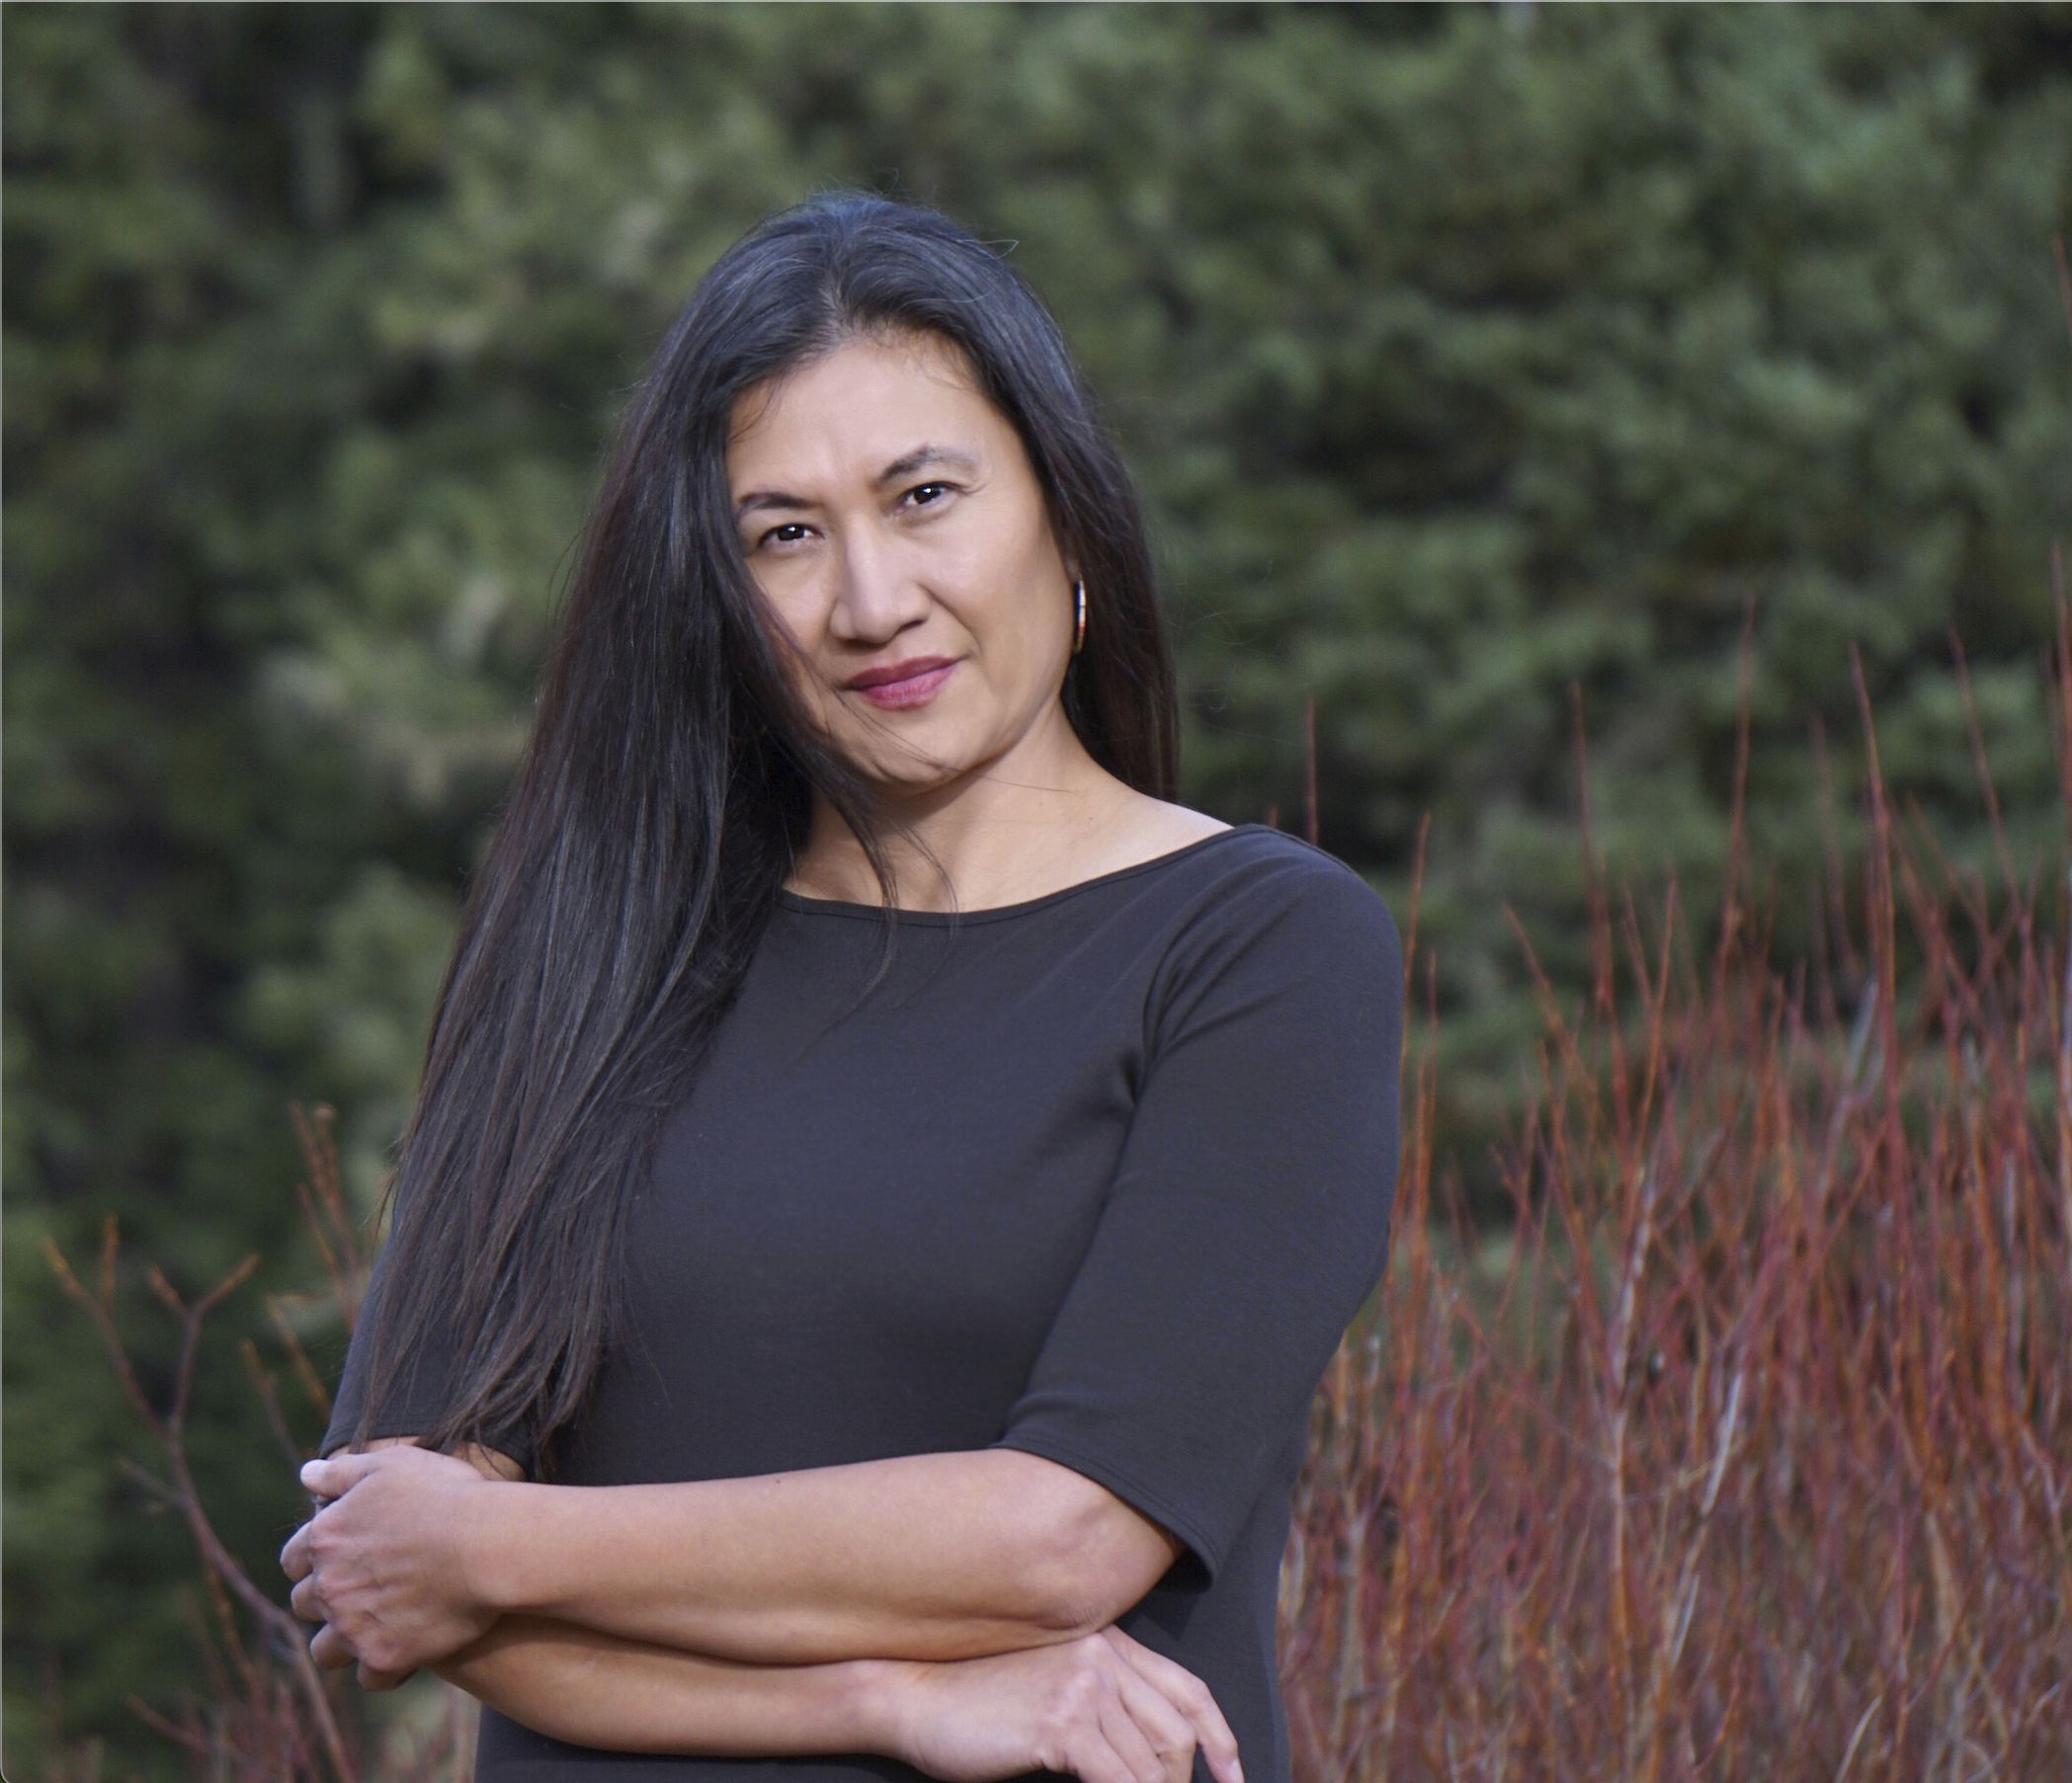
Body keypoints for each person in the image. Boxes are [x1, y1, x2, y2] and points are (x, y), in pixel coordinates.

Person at [279, 189, 1404, 1783]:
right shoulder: (597, 948)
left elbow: (1060, 1536)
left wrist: (503, 1542)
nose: (868, 602)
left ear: (1063, 513)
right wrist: (892, 1701)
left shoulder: (1258, 947)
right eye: (783, 534)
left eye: (924, 493)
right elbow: (397, 1586)